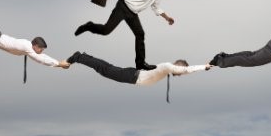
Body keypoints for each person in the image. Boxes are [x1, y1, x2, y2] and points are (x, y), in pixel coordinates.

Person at [75, 0, 175, 71]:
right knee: (106, 30)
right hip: (123, 7)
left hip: (133, 13)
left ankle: (140, 64)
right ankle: (89, 26)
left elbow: (156, 8)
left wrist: (167, 17)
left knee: (140, 34)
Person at [66, 51, 210, 86]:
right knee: (104, 69)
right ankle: (79, 57)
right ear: (178, 65)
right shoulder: (167, 66)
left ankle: (83, 57)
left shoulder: (165, 69)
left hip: (132, 76)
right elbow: (186, 70)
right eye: (180, 71)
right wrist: (204, 67)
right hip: (132, 76)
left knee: (105, 69)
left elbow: (184, 71)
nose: (180, 74)